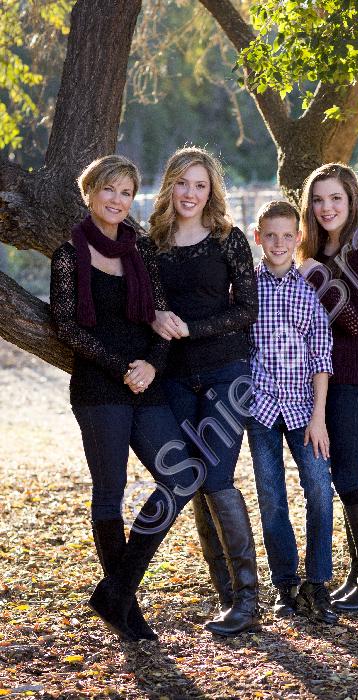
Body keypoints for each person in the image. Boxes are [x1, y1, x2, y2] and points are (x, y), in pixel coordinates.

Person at [50, 155, 203, 643]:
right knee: (110, 492)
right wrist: (122, 368)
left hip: (146, 381)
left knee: (180, 477)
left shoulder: (142, 251)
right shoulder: (68, 255)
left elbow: (161, 315)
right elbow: (67, 326)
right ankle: (126, 608)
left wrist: (152, 364)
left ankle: (115, 591)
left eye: (126, 192)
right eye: (108, 189)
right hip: (100, 388)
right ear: (90, 192)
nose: (117, 200)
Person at [148, 146, 260, 636]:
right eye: (182, 183)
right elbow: (145, 305)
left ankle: (248, 598)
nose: (190, 193)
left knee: (217, 478)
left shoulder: (228, 239)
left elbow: (247, 309)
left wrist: (192, 329)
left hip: (225, 374)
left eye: (200, 184)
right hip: (174, 377)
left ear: (211, 190)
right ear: (169, 186)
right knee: (194, 480)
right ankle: (226, 595)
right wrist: (156, 317)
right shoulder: (152, 244)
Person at [298, 163, 358, 612]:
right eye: (318, 200)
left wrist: (318, 277)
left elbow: (356, 324)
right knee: (337, 475)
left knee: (349, 474)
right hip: (317, 382)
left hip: (355, 378)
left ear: (351, 200)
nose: (327, 207)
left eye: (335, 198)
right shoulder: (314, 251)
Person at [247, 200, 337, 624]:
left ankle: (318, 583)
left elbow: (322, 357)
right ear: (258, 237)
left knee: (319, 489)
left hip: (305, 411)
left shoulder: (309, 290)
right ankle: (285, 585)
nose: (279, 243)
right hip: (261, 409)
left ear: (299, 238)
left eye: (287, 236)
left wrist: (319, 417)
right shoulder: (246, 287)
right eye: (271, 235)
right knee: (271, 497)